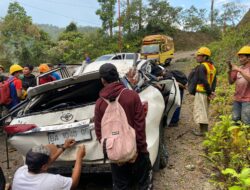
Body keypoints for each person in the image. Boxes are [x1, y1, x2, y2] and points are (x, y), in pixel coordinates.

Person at [94, 63, 152, 190]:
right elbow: (140, 125)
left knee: (121, 186)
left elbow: (99, 133)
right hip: (137, 151)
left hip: (115, 154)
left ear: (102, 80)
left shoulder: (99, 104)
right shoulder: (132, 96)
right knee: (143, 185)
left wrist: (112, 153)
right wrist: (140, 149)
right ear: (117, 76)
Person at [12, 139, 86, 190]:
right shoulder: (52, 182)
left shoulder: (20, 171)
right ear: (44, 167)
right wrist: (79, 157)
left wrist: (64, 147)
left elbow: (45, 163)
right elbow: (73, 183)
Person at [192, 47, 216, 136]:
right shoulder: (212, 66)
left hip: (202, 92)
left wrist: (209, 92)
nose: (197, 57)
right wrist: (211, 91)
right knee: (204, 111)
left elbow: (203, 80)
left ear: (205, 57)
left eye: (199, 56)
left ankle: (203, 131)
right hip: (207, 92)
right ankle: (204, 130)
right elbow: (214, 81)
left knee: (201, 111)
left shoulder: (202, 66)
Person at [228, 45, 250, 125]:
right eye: (239, 57)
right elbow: (230, 82)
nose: (240, 59)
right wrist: (230, 70)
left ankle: (246, 137)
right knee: (235, 120)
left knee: (246, 122)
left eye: (242, 57)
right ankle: (236, 137)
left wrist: (239, 70)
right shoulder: (239, 68)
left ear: (248, 58)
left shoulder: (239, 69)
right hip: (237, 99)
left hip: (248, 100)